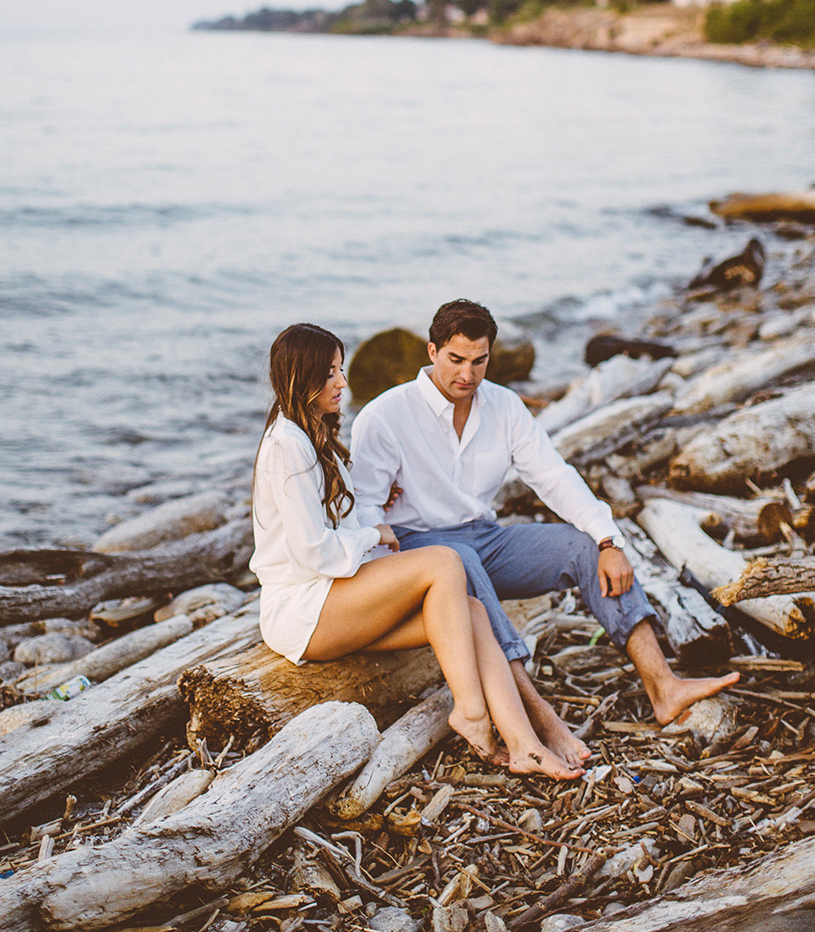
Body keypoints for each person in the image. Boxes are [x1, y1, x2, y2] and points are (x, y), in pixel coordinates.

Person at [349, 299, 736, 752]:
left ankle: (663, 686)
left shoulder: (504, 405)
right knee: (458, 559)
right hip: (418, 552)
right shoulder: (384, 415)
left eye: (479, 361)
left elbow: (553, 476)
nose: (467, 375)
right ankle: (539, 716)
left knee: (587, 548)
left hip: (485, 538)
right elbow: (366, 510)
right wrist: (390, 597)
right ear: (432, 351)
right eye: (455, 360)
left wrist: (608, 539)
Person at [249, 322, 581, 779]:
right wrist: (375, 535)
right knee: (445, 559)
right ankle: (470, 712)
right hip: (303, 611)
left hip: (336, 597)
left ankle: (524, 744)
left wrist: (372, 516)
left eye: (340, 370)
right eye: (330, 373)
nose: (342, 383)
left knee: (471, 611)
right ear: (300, 377)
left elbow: (337, 524)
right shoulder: (288, 445)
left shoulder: (311, 436)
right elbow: (314, 553)